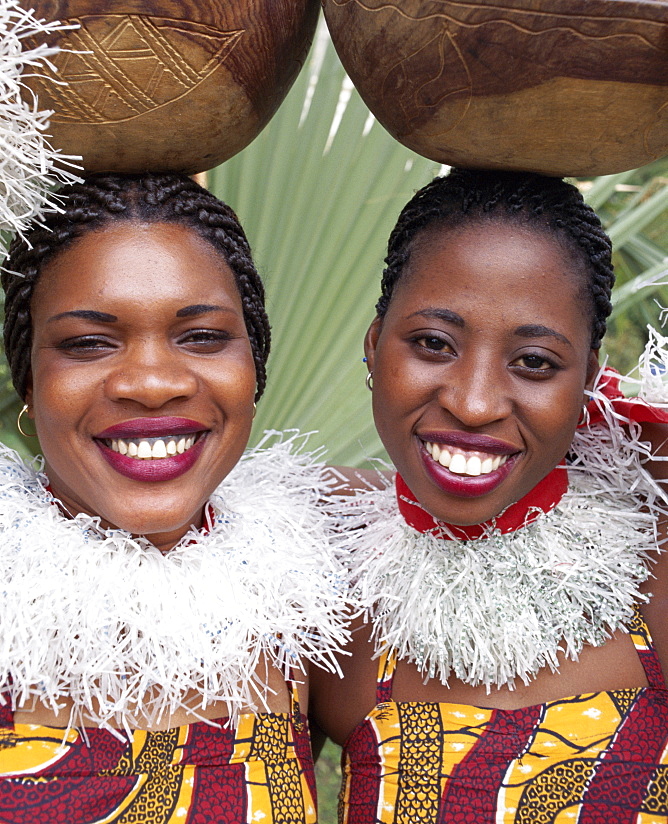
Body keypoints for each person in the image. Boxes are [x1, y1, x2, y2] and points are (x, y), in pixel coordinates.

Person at [310, 168, 668, 822]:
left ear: (589, 378)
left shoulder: (654, 570)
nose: (473, 404)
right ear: (374, 345)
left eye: (534, 361)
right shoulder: (319, 590)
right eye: (433, 344)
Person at [0, 172, 349, 823]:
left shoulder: (315, 581)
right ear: (29, 378)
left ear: (255, 369)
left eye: (202, 336)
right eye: (88, 343)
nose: (153, 383)